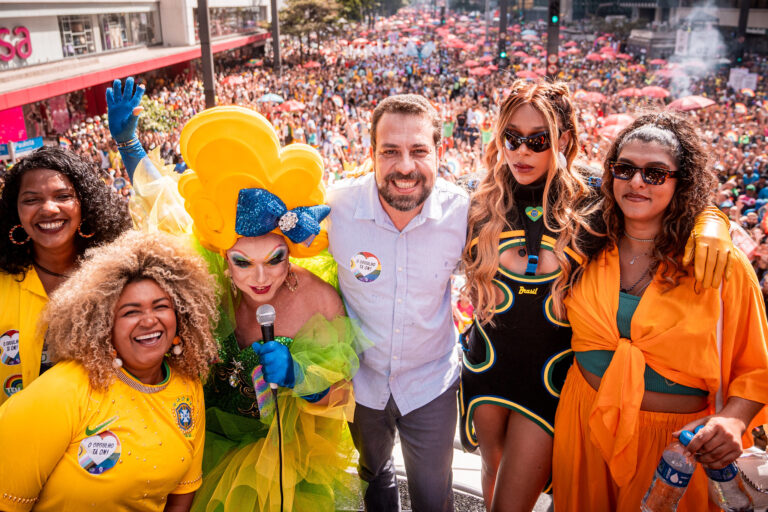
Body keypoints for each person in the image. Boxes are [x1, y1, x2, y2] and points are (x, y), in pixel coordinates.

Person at [460, 80, 736, 512]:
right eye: (511, 138)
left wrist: (712, 220)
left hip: (550, 386)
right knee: (492, 476)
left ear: (564, 139)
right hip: (485, 371)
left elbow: (662, 194)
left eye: (537, 140)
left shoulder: (595, 195)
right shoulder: (478, 198)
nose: (522, 151)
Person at [107, 80, 366, 512]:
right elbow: (165, 205)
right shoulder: (205, 276)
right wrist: (129, 143)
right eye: (243, 262)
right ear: (223, 257)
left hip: (276, 460)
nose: (261, 277)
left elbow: (340, 400)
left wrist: (300, 377)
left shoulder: (317, 300)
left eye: (276, 259)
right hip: (199, 437)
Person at [552, 111, 768, 511]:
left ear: (680, 183)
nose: (636, 181)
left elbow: (756, 368)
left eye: (655, 174)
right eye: (625, 168)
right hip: (582, 424)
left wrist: (735, 420)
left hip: (676, 448)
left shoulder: (719, 263)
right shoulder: (586, 240)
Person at [0, 230, 219, 511]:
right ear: (103, 326)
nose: (149, 320)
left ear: (182, 315)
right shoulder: (63, 390)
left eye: (161, 306)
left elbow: (182, 494)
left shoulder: (188, 386)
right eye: (131, 312)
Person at [327, 94, 469, 511]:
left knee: (431, 495)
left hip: (430, 383)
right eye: (390, 152)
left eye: (418, 151)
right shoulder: (335, 208)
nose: (405, 167)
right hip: (362, 380)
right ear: (371, 154)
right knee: (373, 481)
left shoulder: (463, 214)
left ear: (438, 153)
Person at [0, 146, 131, 406]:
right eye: (31, 199)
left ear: (85, 204)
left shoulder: (119, 275)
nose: (48, 209)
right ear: (16, 211)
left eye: (63, 196)